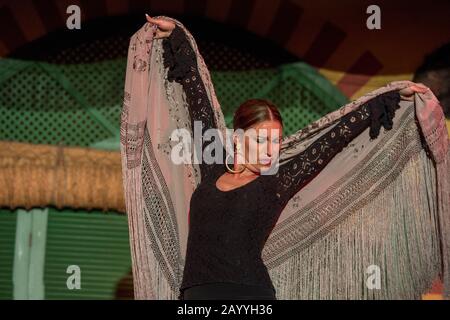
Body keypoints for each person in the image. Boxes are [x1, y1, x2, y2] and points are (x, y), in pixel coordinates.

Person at [144, 15, 430, 300]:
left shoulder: (277, 181)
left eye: (276, 141)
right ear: (237, 138)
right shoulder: (213, 168)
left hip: (249, 296)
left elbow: (334, 138)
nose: (271, 149)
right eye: (261, 139)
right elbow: (200, 106)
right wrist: (178, 37)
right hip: (195, 296)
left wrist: (387, 99)